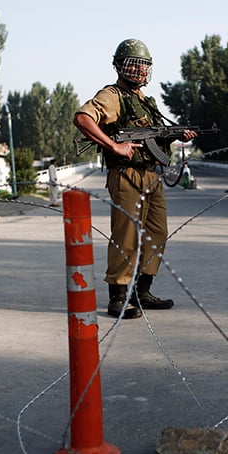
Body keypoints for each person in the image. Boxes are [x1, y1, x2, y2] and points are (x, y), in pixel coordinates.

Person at [73, 38, 197, 319]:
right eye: (133, 64)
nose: (140, 70)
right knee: (125, 236)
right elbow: (83, 118)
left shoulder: (144, 101)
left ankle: (143, 290)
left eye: (144, 65)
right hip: (127, 176)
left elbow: (152, 135)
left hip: (152, 176)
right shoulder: (112, 95)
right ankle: (117, 297)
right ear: (119, 66)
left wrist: (176, 134)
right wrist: (114, 146)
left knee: (157, 234)